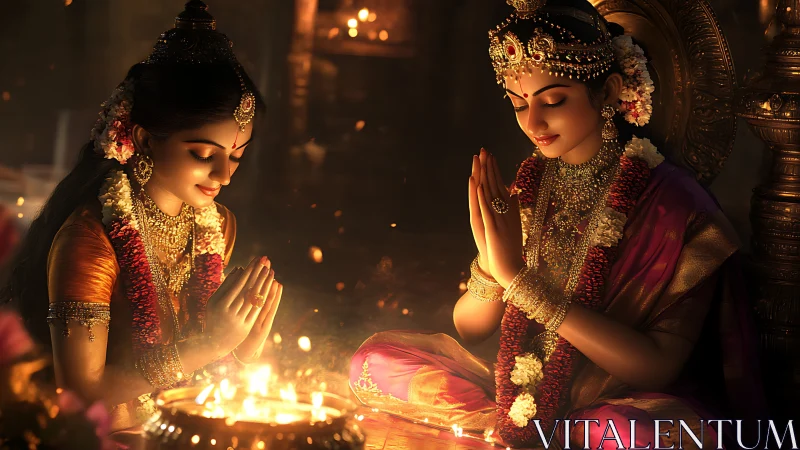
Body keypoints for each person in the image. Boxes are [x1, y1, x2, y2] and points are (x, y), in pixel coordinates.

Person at [349, 0, 765, 448]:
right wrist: (491, 265)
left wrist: (520, 281)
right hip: (518, 398)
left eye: (554, 100)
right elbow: (470, 329)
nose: (533, 122)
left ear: (608, 92)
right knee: (375, 361)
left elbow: (657, 366)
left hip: (615, 413)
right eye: (517, 103)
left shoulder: (674, 205)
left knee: (650, 435)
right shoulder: (533, 185)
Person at [2, 0, 284, 435]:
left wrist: (242, 343)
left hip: (178, 424)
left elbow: (205, 357)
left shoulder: (216, 224)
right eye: (204, 154)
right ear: (144, 139)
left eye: (237, 156)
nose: (224, 175)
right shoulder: (90, 238)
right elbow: (79, 394)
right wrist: (210, 345)